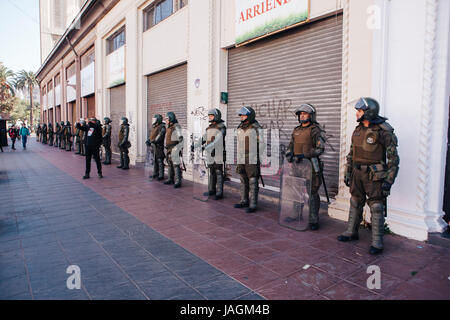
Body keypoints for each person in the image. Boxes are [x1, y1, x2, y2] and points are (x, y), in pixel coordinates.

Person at [337, 97, 400, 255]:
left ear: (368, 112)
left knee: (376, 206)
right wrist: (347, 172)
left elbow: (394, 159)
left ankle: (377, 242)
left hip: (374, 176)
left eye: (359, 111)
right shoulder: (357, 130)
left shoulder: (384, 131)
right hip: (357, 174)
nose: (357, 114)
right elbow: (351, 154)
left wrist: (389, 180)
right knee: (355, 201)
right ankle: (351, 231)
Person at [285, 104, 326, 230]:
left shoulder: (315, 130)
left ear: (311, 115)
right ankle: (296, 213)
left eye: (305, 113)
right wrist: (289, 155)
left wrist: (305, 155)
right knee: (296, 191)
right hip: (297, 166)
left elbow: (320, 148)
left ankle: (313, 219)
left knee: (312, 192)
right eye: (300, 114)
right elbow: (290, 146)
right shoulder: (296, 130)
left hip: (310, 166)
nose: (302, 115)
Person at [234, 106, 264, 213]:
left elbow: (262, 144)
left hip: (252, 157)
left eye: (243, 115)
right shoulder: (241, 127)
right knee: (243, 179)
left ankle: (253, 204)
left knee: (253, 180)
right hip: (242, 157)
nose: (241, 117)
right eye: (241, 115)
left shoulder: (256, 128)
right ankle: (244, 200)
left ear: (249, 115)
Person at [204, 109, 227, 200]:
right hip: (210, 153)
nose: (210, 117)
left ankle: (219, 192)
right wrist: (196, 144)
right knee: (212, 171)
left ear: (216, 116)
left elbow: (218, 139)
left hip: (218, 153)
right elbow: (204, 137)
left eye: (212, 116)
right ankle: (211, 190)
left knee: (218, 172)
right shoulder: (209, 127)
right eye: (209, 116)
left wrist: (210, 146)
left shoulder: (222, 127)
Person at [164, 112, 184, 188]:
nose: (166, 120)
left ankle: (178, 181)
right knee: (170, 164)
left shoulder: (176, 127)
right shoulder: (170, 127)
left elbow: (181, 138)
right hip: (169, 148)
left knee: (176, 165)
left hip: (174, 148)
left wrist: (178, 148)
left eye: (167, 119)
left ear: (171, 119)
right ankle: (170, 179)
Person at [145, 114, 166, 180]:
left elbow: (159, 136)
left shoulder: (162, 127)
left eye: (155, 119)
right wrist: (149, 140)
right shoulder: (154, 126)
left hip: (158, 146)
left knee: (160, 160)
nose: (153, 121)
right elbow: (152, 135)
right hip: (154, 146)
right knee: (155, 160)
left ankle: (161, 175)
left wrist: (154, 141)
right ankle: (155, 173)